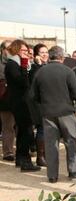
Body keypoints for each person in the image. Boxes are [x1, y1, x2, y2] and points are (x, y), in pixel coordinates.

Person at [31, 46, 76, 183]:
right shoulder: (68, 71)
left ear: (49, 56)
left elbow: (33, 95)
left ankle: (52, 175)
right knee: (71, 141)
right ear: (62, 58)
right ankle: (73, 171)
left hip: (48, 112)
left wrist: (42, 105)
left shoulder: (41, 72)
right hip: (66, 111)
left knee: (51, 144)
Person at [5, 39, 40, 172]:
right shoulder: (12, 64)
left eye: (27, 51)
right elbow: (22, 82)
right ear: (16, 50)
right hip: (19, 102)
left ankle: (21, 159)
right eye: (23, 50)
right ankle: (25, 162)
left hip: (23, 101)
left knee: (24, 132)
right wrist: (25, 64)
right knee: (26, 132)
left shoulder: (18, 63)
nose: (26, 53)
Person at [28, 43, 49, 167]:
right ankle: (40, 157)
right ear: (36, 55)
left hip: (49, 102)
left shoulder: (49, 65)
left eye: (46, 52)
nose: (45, 54)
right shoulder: (34, 67)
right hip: (39, 103)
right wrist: (39, 65)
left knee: (48, 129)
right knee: (42, 128)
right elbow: (35, 80)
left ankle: (46, 155)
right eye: (42, 52)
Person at [0, 40, 15, 162]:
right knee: (8, 127)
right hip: (4, 99)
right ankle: (8, 152)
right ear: (2, 50)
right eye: (8, 48)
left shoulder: (16, 62)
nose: (10, 51)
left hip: (17, 98)